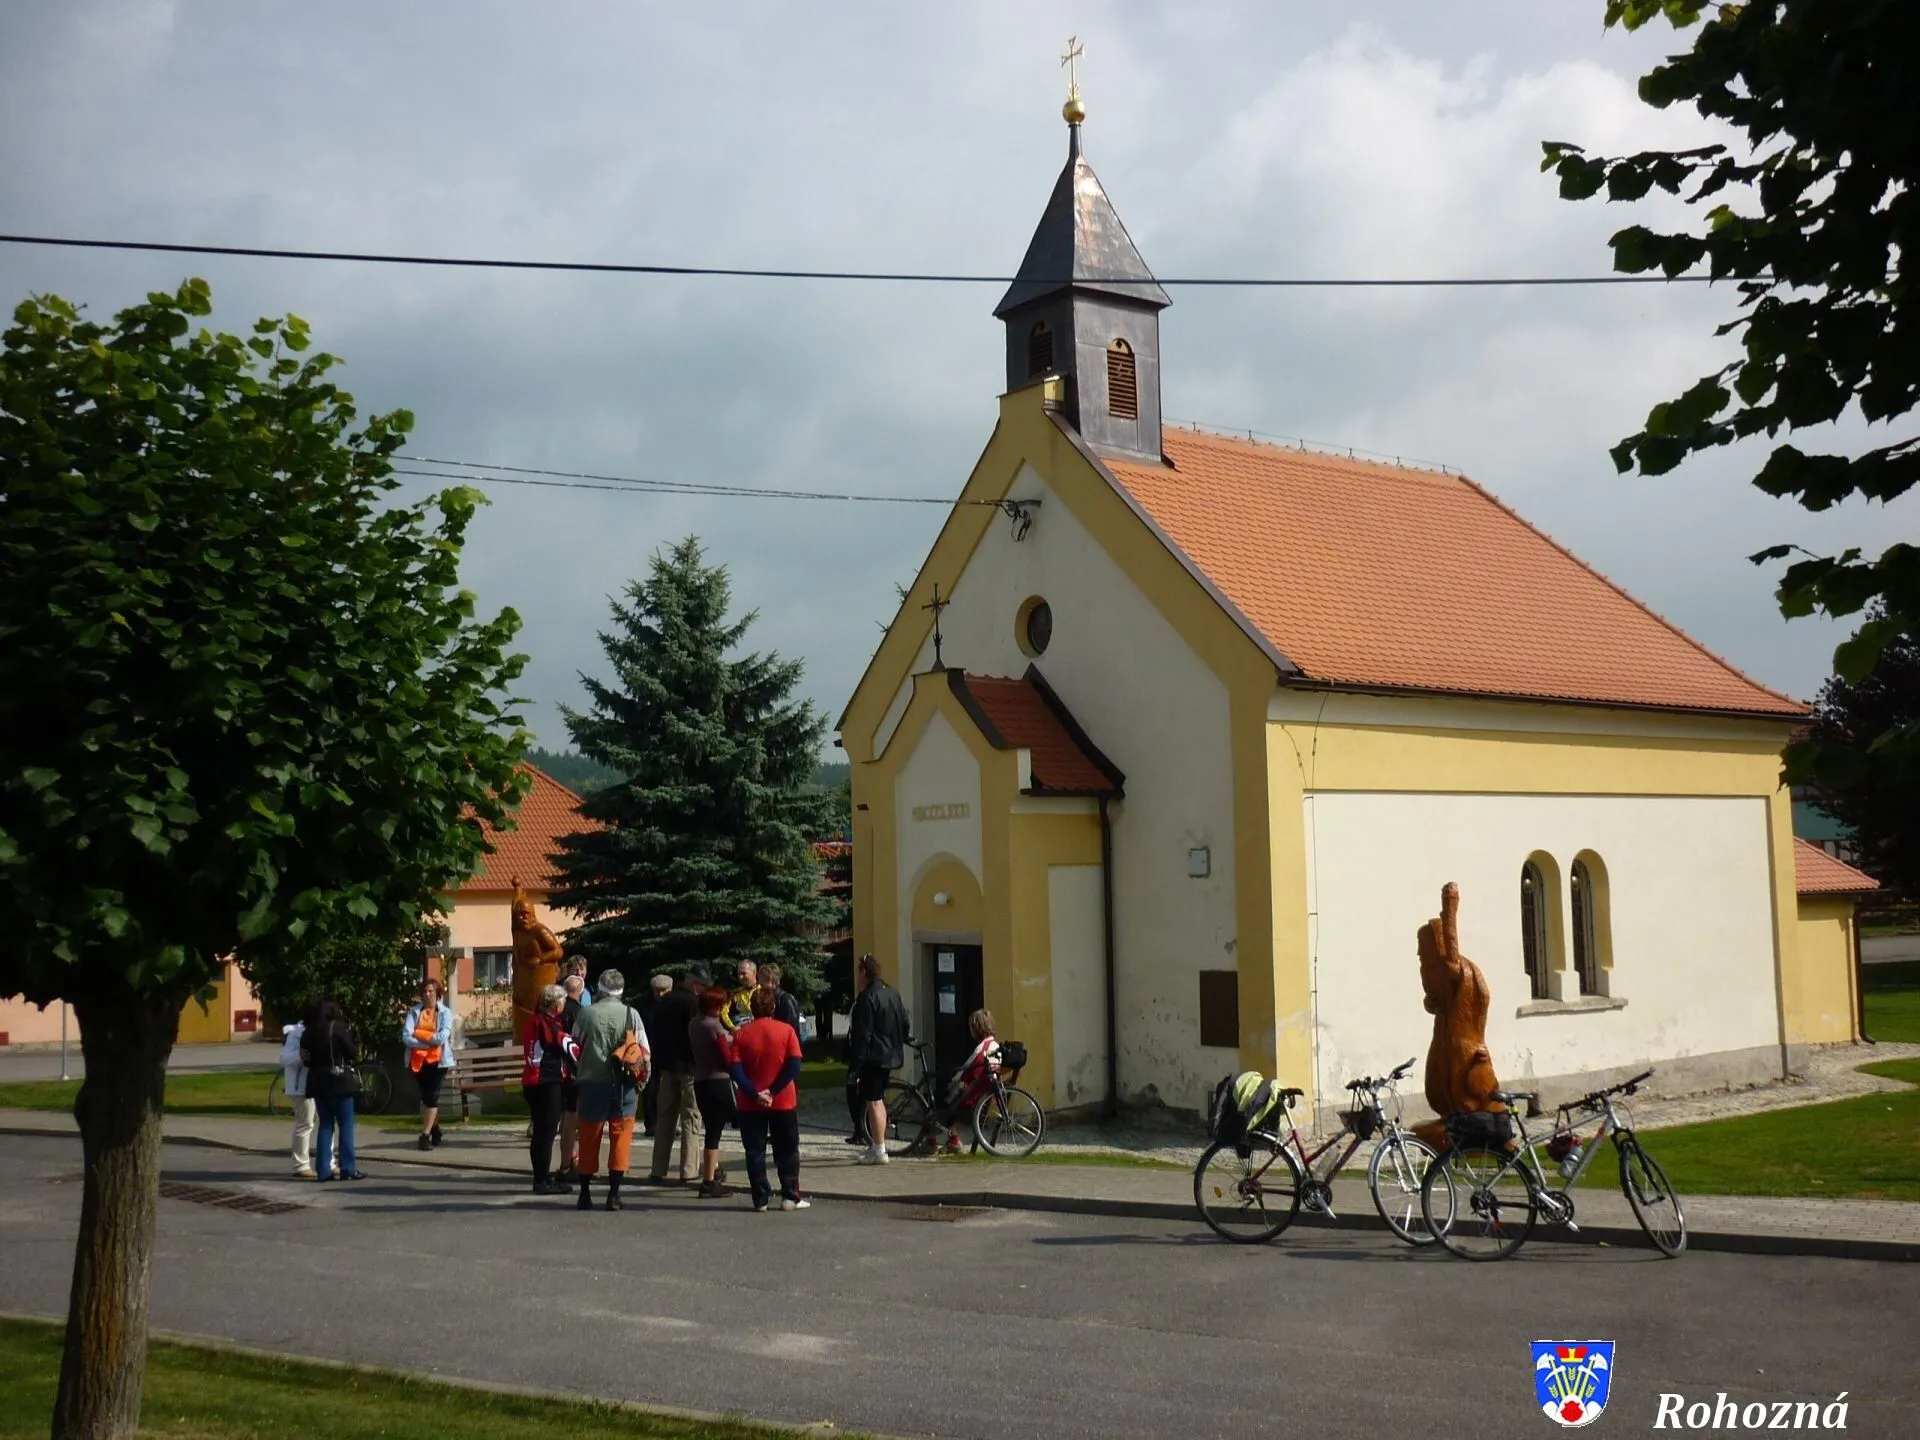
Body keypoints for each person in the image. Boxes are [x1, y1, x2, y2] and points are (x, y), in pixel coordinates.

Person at [570, 968, 649, 1211]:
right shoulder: (631, 1014)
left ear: (601, 989)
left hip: (592, 1082)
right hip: (623, 1083)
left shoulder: (586, 1014)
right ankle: (614, 1195)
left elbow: (574, 1046)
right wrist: (642, 1082)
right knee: (621, 1137)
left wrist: (576, 1074)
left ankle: (584, 1193)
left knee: (589, 1136)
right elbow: (644, 1051)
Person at [730, 986, 808, 1211]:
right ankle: (789, 1194)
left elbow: (736, 1069)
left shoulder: (742, 1034)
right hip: (782, 1099)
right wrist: (773, 1091)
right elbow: (793, 1065)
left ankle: (760, 1198)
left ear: (752, 1009)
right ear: (773, 1006)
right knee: (787, 1148)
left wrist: (755, 1093)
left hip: (750, 1102)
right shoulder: (786, 1031)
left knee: (755, 1151)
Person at [845, 953, 909, 1166]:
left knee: (873, 1101)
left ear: (864, 972)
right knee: (878, 1099)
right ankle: (877, 1145)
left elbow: (863, 1035)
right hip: (891, 1054)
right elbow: (904, 1022)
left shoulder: (867, 998)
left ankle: (879, 1149)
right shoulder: (892, 993)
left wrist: (857, 1064)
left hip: (873, 1057)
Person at [646, 965, 705, 1186]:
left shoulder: (665, 1002)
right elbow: (695, 1036)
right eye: (701, 985)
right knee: (691, 1119)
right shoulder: (692, 1003)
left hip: (667, 1067)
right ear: (693, 983)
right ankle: (689, 1170)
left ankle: (658, 1168)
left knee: (665, 1119)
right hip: (688, 1068)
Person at [521, 983, 580, 1194]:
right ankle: (542, 1180)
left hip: (532, 1082)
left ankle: (540, 1177)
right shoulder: (549, 1026)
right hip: (547, 1083)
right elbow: (572, 1049)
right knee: (546, 1133)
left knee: (540, 1133)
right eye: (562, 1001)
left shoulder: (534, 1021)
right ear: (556, 1005)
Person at [301, 997, 365, 1181]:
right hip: (338, 1082)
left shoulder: (309, 1032)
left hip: (318, 1082)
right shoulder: (337, 1028)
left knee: (325, 1125)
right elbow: (352, 1053)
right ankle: (347, 1168)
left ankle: (323, 1170)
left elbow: (306, 1058)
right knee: (346, 1125)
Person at [922, 1009, 1001, 1154]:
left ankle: (931, 1142)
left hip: (969, 1101)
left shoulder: (981, 1049)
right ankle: (953, 1140)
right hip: (981, 1098)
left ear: (976, 1028)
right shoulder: (995, 1047)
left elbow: (962, 1073)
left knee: (932, 1098)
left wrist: (951, 1081)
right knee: (948, 1097)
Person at [689, 984, 738, 1198]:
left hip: (700, 1080)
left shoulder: (694, 1022)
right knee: (715, 1133)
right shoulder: (714, 1026)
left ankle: (712, 1172)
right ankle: (709, 1182)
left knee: (710, 1130)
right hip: (718, 1082)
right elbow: (725, 1058)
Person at [400, 977, 455, 1151]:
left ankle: (424, 1136)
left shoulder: (445, 1013)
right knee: (426, 1098)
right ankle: (435, 1129)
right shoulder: (414, 1012)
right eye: (424, 991)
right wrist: (425, 1041)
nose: (427, 994)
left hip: (438, 1061)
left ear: (437, 993)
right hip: (418, 1061)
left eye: (431, 991)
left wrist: (419, 1034)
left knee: (432, 1098)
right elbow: (407, 1037)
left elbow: (441, 1038)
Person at [278, 1015, 325, 1179]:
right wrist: (299, 1056)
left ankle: (328, 1163)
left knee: (325, 1122)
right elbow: (283, 1058)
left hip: (317, 1084)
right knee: (305, 1123)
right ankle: (300, 1165)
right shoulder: (295, 1033)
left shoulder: (319, 1030)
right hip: (300, 1087)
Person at [557, 969, 592, 1187]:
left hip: (558, 1071)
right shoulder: (581, 1013)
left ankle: (569, 1159)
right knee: (572, 1120)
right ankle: (568, 1163)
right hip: (574, 1071)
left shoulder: (558, 1012)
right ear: (580, 992)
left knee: (565, 1120)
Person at [639, 973, 673, 1137]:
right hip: (650, 1050)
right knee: (650, 1089)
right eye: (656, 991)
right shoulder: (646, 1007)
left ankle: (669, 1122)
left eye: (663, 990)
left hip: (669, 1051)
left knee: (669, 1089)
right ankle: (651, 1123)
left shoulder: (674, 1004)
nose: (659, 994)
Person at [757, 963, 805, 1033]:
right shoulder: (765, 999)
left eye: (762, 982)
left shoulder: (786, 1000)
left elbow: (791, 1028)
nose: (759, 984)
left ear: (772, 981)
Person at [722, 960, 758, 1032]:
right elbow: (723, 1011)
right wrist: (732, 1027)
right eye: (739, 974)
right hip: (741, 1031)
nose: (740, 977)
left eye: (744, 973)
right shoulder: (735, 993)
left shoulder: (764, 991)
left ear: (754, 973)